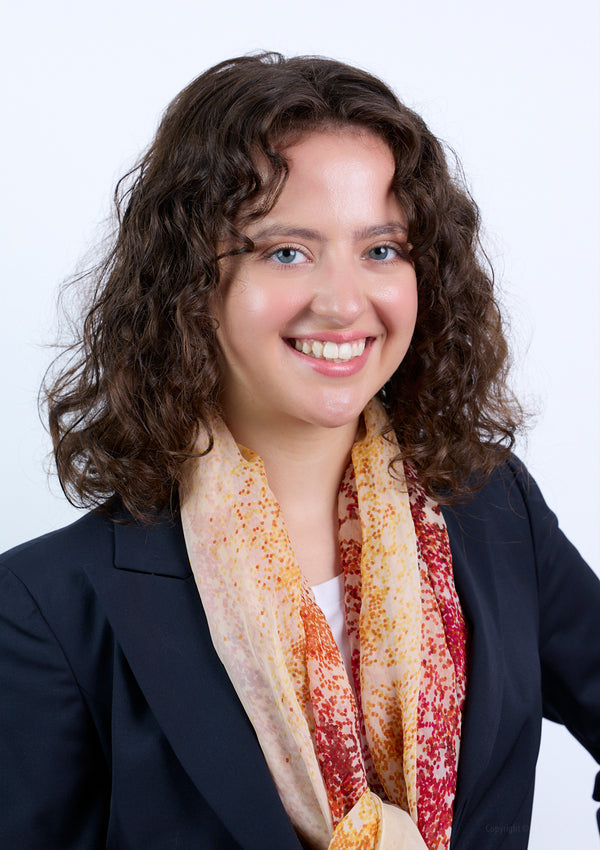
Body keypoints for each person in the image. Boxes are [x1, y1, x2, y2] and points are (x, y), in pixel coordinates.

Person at [0, 52, 598, 850]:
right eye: (286, 251)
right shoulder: (49, 608)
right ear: (189, 283)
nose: (344, 302)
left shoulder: (494, 508)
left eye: (382, 249)